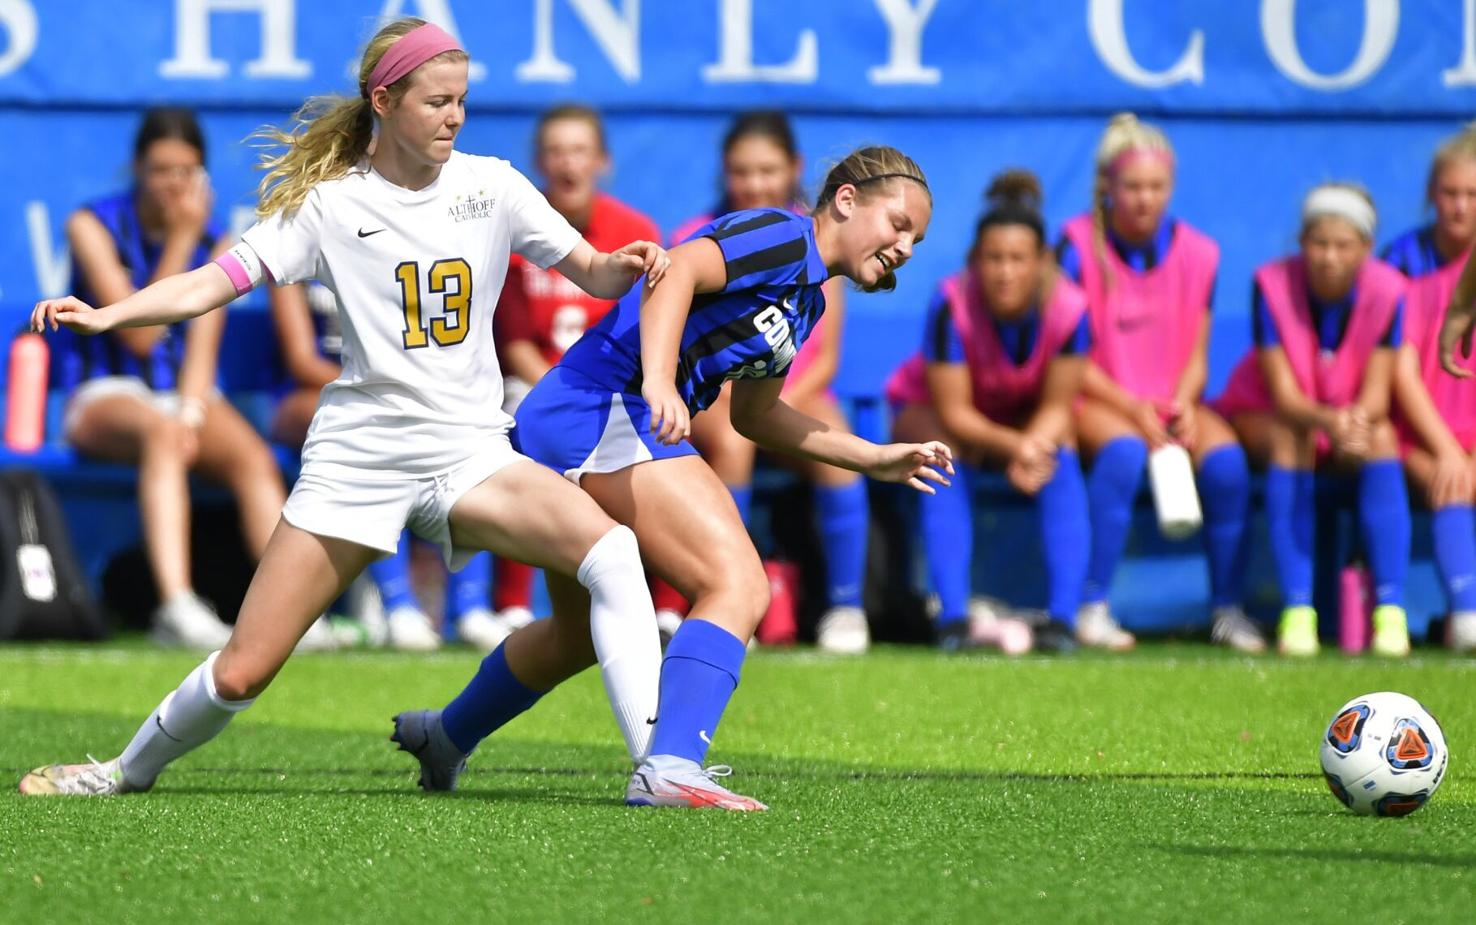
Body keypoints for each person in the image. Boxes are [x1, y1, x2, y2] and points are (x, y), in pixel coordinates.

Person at [19, 17, 668, 797]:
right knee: (243, 669)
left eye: (461, 101)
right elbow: (208, 283)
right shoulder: (328, 205)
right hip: (360, 458)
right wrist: (109, 312)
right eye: (436, 102)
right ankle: (120, 772)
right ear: (384, 100)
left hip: (470, 453)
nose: (454, 117)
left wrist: (627, 267)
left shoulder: (493, 184)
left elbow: (594, 273)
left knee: (612, 551)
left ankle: (659, 770)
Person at [397, 146, 948, 812]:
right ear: (847, 199)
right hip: (604, 403)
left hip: (592, 409)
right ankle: (670, 764)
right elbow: (675, 268)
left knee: (575, 634)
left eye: (917, 237)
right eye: (899, 222)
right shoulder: (780, 235)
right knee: (736, 581)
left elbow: (757, 414)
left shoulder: (809, 300)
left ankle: (445, 736)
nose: (907, 245)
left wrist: (873, 456)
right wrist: (659, 377)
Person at [54, 106, 289, 650]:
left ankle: (289, 615)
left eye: (186, 170)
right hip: (103, 395)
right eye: (161, 169)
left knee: (251, 457)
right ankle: (178, 607)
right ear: (137, 168)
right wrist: (184, 238)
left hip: (180, 395)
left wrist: (190, 410)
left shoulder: (219, 239)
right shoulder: (91, 225)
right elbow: (136, 335)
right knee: (162, 435)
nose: (173, 184)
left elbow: (202, 346)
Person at [665, 111, 873, 654]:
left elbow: (825, 358)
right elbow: (671, 322)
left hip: (790, 393)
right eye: (741, 171)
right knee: (733, 442)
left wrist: (778, 406)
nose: (755, 183)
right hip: (711, 396)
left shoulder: (823, 237)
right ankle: (723, 599)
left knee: (842, 443)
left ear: (795, 169)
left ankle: (847, 607)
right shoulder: (698, 237)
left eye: (767, 170)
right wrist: (741, 406)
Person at [1057, 112, 1260, 653]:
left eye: (1157, 187)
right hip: (1097, 397)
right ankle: (1092, 606)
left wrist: (1184, 402)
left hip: (1171, 402)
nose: (1145, 199)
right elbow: (1069, 359)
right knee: (1123, 454)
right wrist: (1131, 407)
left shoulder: (1201, 253)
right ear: (1107, 187)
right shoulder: (1076, 246)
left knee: (1227, 465)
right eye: (1132, 187)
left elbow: (1198, 352)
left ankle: (1227, 609)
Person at [887, 170, 1089, 654]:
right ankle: (953, 620)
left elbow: (1060, 405)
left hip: (1024, 418)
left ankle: (1064, 621)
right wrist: (1018, 447)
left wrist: (1034, 449)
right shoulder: (950, 304)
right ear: (975, 262)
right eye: (994, 259)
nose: (1005, 272)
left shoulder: (1071, 307)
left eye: (1018, 259)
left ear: (1044, 263)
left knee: (1061, 454)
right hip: (935, 414)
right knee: (941, 452)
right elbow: (954, 413)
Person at [486, 103, 661, 646]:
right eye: (556, 151)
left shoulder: (634, 231)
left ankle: (673, 606)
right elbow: (513, 344)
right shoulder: (516, 229)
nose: (568, 164)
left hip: (615, 389)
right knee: (520, 433)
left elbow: (648, 331)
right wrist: (558, 397)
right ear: (539, 160)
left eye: (580, 150)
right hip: (534, 383)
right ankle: (509, 605)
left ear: (602, 160)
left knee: (670, 438)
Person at [1214, 183, 1411, 657]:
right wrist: (1332, 422)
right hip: (1273, 416)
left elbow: (1378, 393)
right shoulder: (1271, 284)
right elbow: (1282, 396)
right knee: (1291, 438)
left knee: (1382, 438)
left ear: (1365, 248)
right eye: (1319, 243)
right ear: (1301, 243)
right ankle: (1298, 613)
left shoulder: (1390, 291)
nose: (1328, 257)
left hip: (1343, 422)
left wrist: (1355, 424)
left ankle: (1390, 613)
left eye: (1343, 245)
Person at [269, 280, 492, 651]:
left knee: (468, 433)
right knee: (374, 428)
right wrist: (381, 391)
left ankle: (471, 608)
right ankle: (399, 607)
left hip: (410, 394)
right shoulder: (305, 237)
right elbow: (302, 360)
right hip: (321, 393)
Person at [1387, 125, 1476, 651]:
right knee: (1451, 482)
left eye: (1473, 195)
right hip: (1419, 430)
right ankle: (1465, 615)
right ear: (1430, 195)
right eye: (1450, 193)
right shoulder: (1400, 262)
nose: (1461, 207)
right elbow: (1398, 368)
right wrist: (1446, 447)